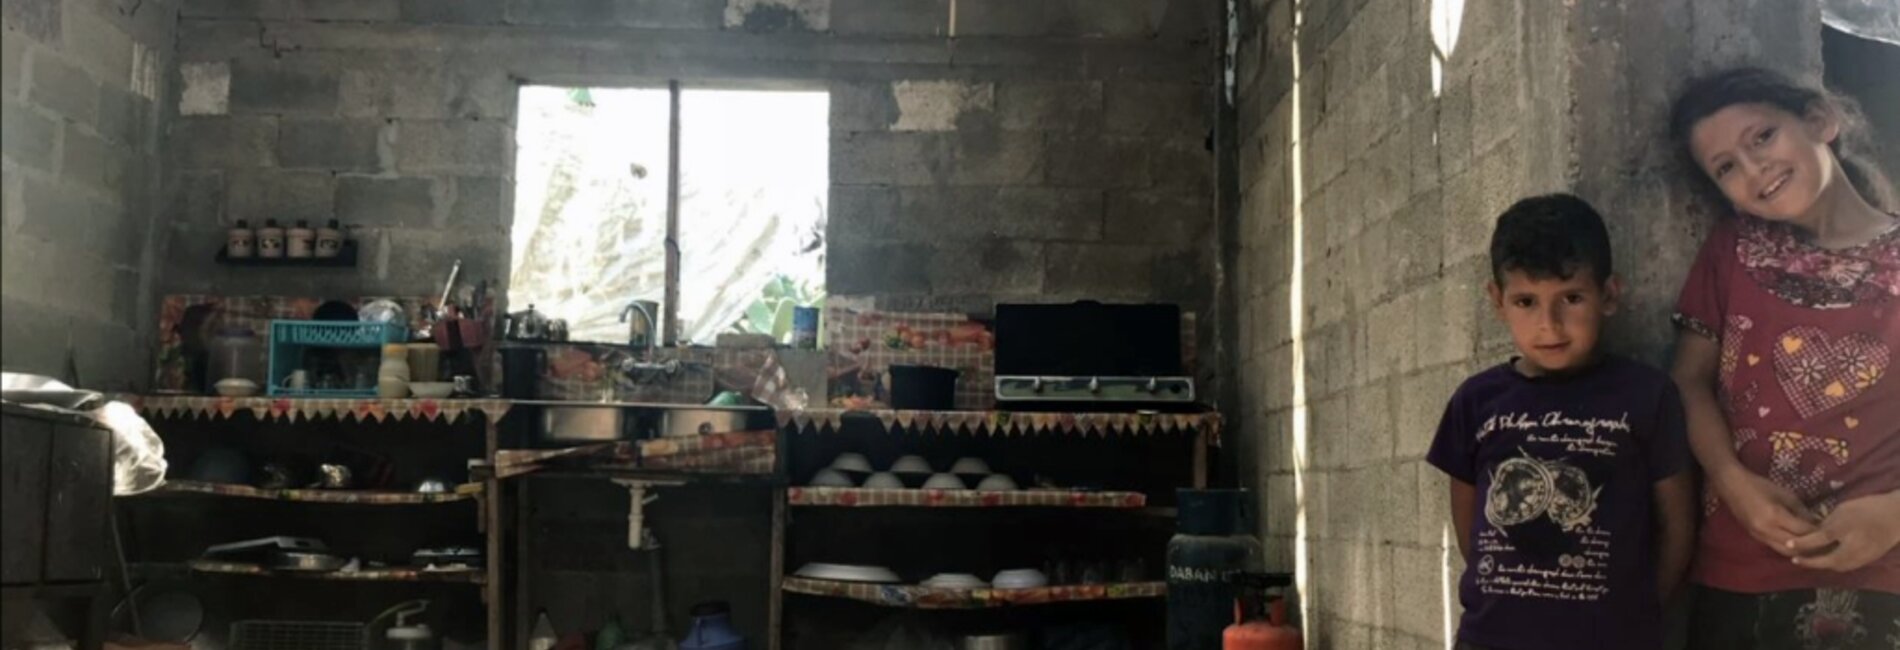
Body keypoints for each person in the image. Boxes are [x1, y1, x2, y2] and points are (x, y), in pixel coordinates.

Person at [1668, 66, 1900, 649]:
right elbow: (1688, 382)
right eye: (1726, 167)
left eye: (1762, 137)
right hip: (1738, 569)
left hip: (1880, 572)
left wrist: (1895, 514)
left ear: (1820, 120)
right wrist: (1730, 479)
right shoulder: (1732, 250)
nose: (1754, 169)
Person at [1428, 194, 1697, 650]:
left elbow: (1678, 528)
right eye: (1526, 301)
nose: (1549, 325)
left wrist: (1638, 618)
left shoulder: (1647, 395)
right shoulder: (1476, 401)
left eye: (1571, 298)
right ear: (1497, 301)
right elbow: (1471, 526)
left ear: (1608, 294)